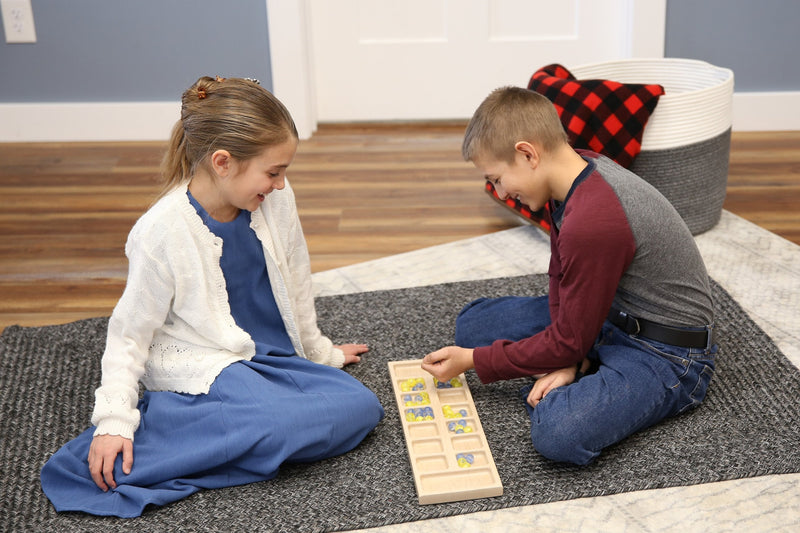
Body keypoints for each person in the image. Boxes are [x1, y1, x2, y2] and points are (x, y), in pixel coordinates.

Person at [40, 76, 384, 517]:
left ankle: (216, 435)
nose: (280, 184)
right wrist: (113, 421)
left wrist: (319, 352)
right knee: (278, 425)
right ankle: (166, 423)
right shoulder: (161, 231)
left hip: (269, 356)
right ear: (223, 162)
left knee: (360, 406)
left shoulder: (276, 199)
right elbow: (129, 332)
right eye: (273, 171)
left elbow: (297, 278)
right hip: (208, 360)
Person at [421, 86, 717, 466]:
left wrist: (478, 361)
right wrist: (567, 355)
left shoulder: (594, 220)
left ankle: (589, 365)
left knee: (559, 433)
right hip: (610, 313)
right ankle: (584, 359)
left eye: (496, 178)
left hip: (667, 352)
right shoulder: (574, 172)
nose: (500, 192)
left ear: (527, 154)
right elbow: (561, 277)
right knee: (472, 326)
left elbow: (566, 328)